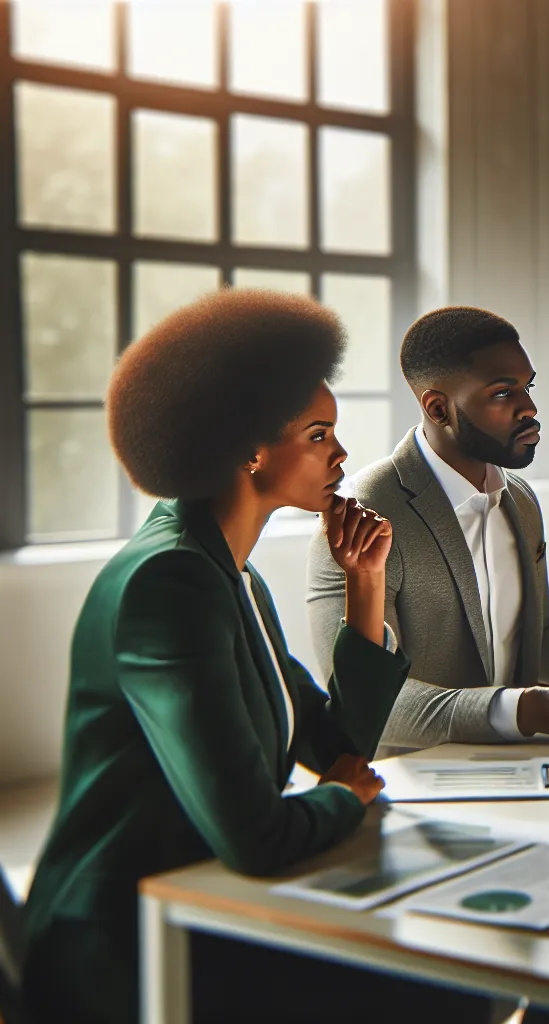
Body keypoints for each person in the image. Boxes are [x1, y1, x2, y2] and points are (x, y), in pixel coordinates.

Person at [22, 290, 491, 1023]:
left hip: (211, 899)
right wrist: (344, 797)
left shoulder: (227, 573)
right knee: (453, 993)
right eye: (317, 434)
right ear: (247, 448)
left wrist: (365, 584)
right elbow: (257, 836)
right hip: (127, 947)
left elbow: (339, 745)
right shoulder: (169, 584)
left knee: (475, 970)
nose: (340, 453)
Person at [308, 307, 549, 751]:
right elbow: (368, 702)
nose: (530, 408)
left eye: (528, 387)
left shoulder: (518, 499)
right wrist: (530, 710)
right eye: (504, 393)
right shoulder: (364, 514)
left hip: (530, 770)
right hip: (418, 783)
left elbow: (537, 636)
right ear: (438, 408)